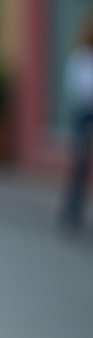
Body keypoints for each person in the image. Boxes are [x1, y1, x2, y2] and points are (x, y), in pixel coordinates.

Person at [60, 12, 93, 231]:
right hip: (83, 114)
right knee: (80, 164)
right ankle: (71, 212)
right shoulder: (79, 58)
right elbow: (76, 90)